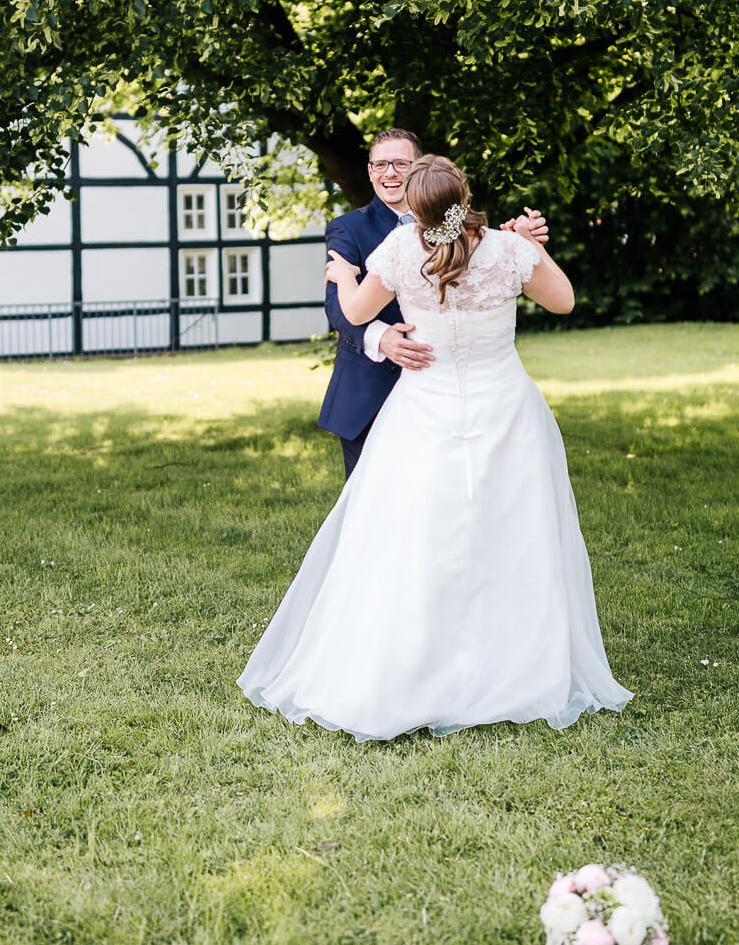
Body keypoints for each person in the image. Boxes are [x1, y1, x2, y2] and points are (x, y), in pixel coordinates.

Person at [238, 155, 633, 741]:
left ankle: (416, 667)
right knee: (511, 533)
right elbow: (564, 301)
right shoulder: (508, 249)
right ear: (464, 194)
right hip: (506, 411)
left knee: (416, 534)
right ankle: (515, 667)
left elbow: (356, 312)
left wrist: (342, 275)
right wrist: (532, 244)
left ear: (417, 209)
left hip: (424, 411)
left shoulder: (401, 249)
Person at [317, 128, 548, 477]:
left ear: (419, 168)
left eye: (400, 164)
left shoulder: (469, 228)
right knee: (374, 498)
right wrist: (379, 337)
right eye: (380, 165)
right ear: (369, 171)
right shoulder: (347, 228)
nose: (390, 173)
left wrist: (529, 244)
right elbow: (337, 303)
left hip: (453, 392)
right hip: (370, 388)